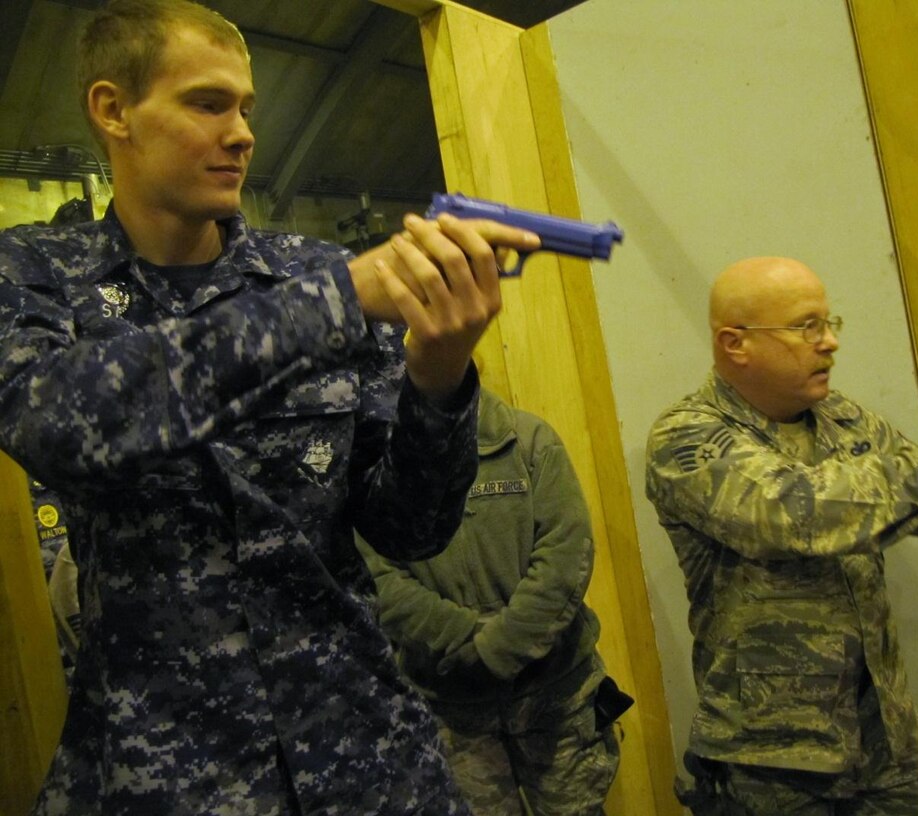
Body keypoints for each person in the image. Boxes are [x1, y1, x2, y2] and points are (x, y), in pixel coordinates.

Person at [0, 0, 540, 813]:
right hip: (168, 770)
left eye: (248, 107)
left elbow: (409, 526)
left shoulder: (310, 269)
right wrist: (337, 303)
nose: (244, 132)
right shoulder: (37, 273)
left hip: (370, 759)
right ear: (113, 110)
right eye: (208, 103)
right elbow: (60, 422)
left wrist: (438, 379)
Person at [644, 256, 918, 815]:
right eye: (806, 327)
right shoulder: (688, 436)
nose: (829, 343)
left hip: (887, 734)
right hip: (775, 756)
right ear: (735, 344)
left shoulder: (842, 418)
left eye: (829, 323)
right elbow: (790, 515)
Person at [359, 385, 628, 816]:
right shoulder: (374, 474)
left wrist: (499, 646)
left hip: (556, 698)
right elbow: (381, 584)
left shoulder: (528, 440)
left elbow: (566, 554)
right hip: (453, 711)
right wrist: (467, 638)